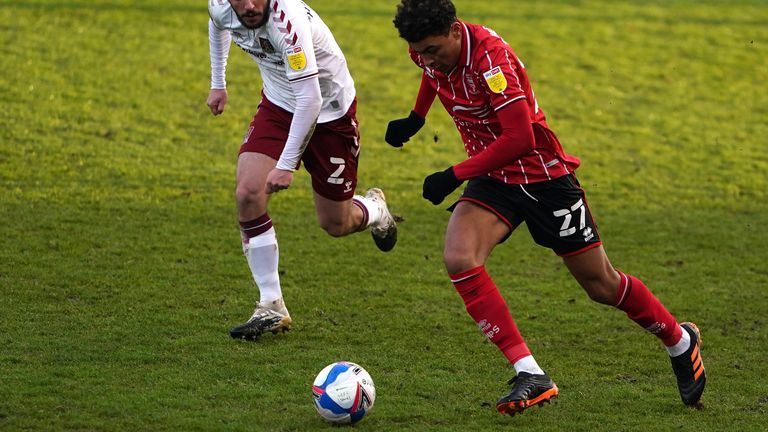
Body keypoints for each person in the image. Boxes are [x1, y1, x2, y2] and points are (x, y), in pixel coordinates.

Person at [388, 0, 705, 415]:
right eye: (419, 52)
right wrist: (416, 117)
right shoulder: (427, 50)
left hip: (543, 177)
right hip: (496, 177)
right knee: (459, 257)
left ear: (453, 29)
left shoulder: (490, 61)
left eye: (432, 49)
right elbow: (433, 74)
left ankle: (680, 341)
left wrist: (454, 173)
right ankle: (530, 372)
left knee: (601, 285)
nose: (425, 58)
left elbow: (519, 137)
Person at [207, 0, 398, 341]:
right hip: (279, 104)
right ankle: (271, 305)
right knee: (248, 193)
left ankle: (375, 210)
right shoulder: (222, 5)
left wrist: (285, 165)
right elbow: (219, 23)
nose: (249, 6)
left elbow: (310, 99)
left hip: (330, 112)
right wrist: (218, 82)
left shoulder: (287, 20)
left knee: (335, 223)